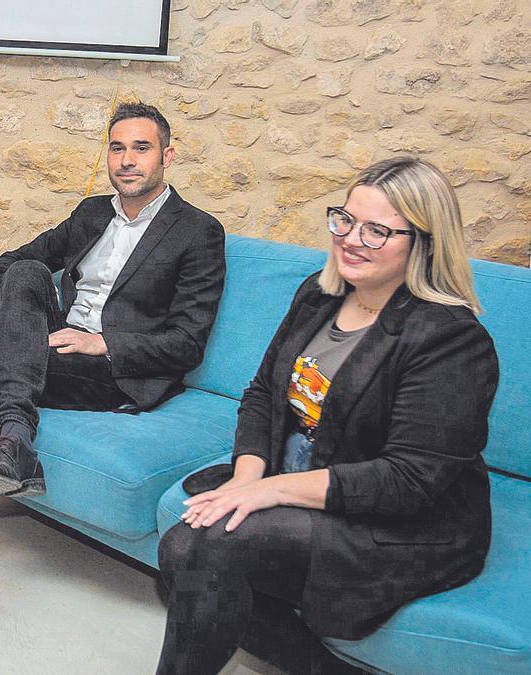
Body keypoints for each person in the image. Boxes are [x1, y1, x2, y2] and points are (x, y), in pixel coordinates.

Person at [155, 157, 500, 675]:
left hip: (403, 521)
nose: (352, 239)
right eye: (346, 219)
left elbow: (408, 480)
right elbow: (262, 396)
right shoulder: (318, 296)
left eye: (377, 230)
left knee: (213, 547)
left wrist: (270, 492)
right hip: (303, 480)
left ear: (424, 242)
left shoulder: (450, 339)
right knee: (182, 544)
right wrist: (246, 478)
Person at [0, 102, 227, 601]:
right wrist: (22, 331)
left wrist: (103, 342)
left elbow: (187, 342)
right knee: (24, 272)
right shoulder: (91, 214)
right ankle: (13, 444)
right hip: (55, 347)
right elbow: (7, 263)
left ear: (167, 156)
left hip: (116, 370)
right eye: (117, 148)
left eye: (142, 148)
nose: (127, 160)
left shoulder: (198, 231)